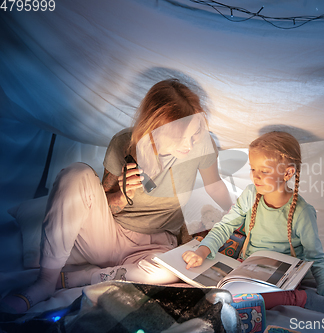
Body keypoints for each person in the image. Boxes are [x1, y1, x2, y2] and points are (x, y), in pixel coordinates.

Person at [0, 79, 233, 314]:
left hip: (155, 245)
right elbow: (98, 203)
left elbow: (214, 186)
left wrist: (236, 216)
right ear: (157, 127)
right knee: (76, 173)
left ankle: (78, 278)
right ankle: (45, 281)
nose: (190, 144)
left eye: (194, 134)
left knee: (170, 273)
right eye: (182, 137)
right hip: (109, 235)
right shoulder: (124, 144)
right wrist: (121, 195)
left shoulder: (202, 145)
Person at [182, 131, 324, 315]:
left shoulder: (302, 213)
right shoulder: (250, 195)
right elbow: (225, 225)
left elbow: (316, 257)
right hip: (247, 267)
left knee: (248, 298)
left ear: (288, 173)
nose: (255, 176)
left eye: (264, 171)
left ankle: (300, 298)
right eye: (253, 169)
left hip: (282, 277)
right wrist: (202, 251)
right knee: (209, 288)